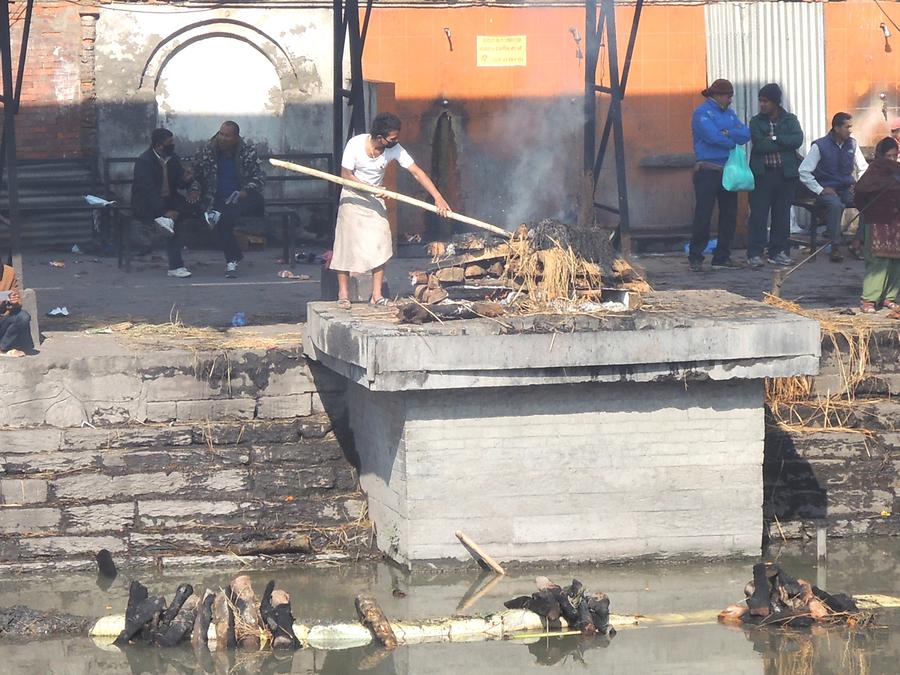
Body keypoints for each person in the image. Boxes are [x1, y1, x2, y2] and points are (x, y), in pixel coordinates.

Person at [332, 112, 450, 308]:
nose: (396, 140)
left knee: (382, 242)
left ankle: (376, 295)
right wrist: (372, 189)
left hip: (376, 200)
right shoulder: (355, 144)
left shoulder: (394, 149)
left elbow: (417, 172)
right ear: (380, 137)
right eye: (392, 137)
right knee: (346, 244)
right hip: (353, 197)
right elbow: (345, 175)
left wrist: (438, 197)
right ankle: (343, 294)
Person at [688, 78, 751, 272]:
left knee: (729, 215)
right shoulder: (701, 113)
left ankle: (722, 257)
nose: (731, 100)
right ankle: (696, 257)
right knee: (703, 214)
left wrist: (726, 133)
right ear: (717, 95)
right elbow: (712, 137)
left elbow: (746, 133)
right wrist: (731, 139)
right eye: (728, 96)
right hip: (707, 171)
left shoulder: (729, 114)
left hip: (727, 173)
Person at [188, 121, 265, 278]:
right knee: (219, 218)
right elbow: (193, 174)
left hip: (243, 197)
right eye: (221, 134)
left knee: (225, 217)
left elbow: (259, 178)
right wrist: (194, 189)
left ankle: (232, 259)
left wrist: (244, 191)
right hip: (216, 197)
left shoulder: (247, 152)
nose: (222, 139)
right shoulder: (207, 151)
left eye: (227, 136)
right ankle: (233, 258)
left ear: (236, 138)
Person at [747, 83, 804, 268]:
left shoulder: (790, 119)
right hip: (762, 176)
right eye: (760, 101)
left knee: (782, 215)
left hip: (785, 175)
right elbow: (759, 145)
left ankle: (778, 252)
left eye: (766, 101)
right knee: (758, 216)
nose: (762, 104)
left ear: (776, 102)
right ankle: (755, 253)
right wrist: (781, 142)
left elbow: (797, 140)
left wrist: (773, 138)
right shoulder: (756, 122)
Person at [798, 112, 868, 262]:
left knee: (867, 203)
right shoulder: (820, 146)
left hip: (846, 189)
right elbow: (804, 171)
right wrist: (820, 189)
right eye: (847, 127)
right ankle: (834, 247)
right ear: (836, 128)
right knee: (836, 205)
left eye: (851, 127)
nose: (850, 130)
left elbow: (863, 167)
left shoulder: (852, 144)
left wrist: (858, 185)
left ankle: (857, 243)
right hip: (827, 190)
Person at [131, 128, 194, 278]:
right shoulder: (144, 161)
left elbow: (178, 184)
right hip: (147, 204)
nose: (172, 145)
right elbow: (148, 191)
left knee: (191, 207)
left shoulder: (173, 159)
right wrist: (163, 211)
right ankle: (176, 266)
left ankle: (176, 263)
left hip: (169, 200)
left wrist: (186, 179)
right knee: (170, 222)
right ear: (159, 145)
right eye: (169, 143)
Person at [852, 137, 900, 316]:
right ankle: (869, 299)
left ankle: (889, 297)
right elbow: (860, 194)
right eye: (888, 156)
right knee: (878, 261)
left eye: (894, 156)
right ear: (880, 155)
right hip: (878, 222)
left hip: (897, 222)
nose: (892, 160)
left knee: (896, 260)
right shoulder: (873, 172)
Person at [0, 262, 33, 357]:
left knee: (23, 317)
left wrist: (14, 302)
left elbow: (16, 298)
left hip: (3, 318)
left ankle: (2, 347)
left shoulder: (9, 272)